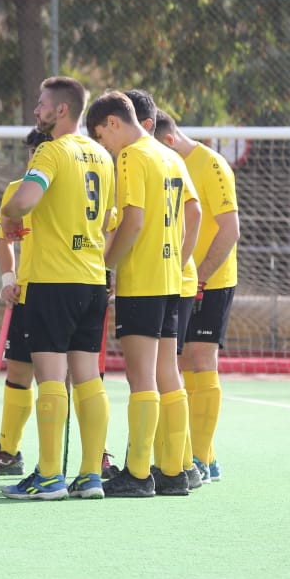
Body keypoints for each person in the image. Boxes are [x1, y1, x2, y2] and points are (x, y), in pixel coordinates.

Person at [0, 77, 115, 501]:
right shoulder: (103, 154)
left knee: (50, 377)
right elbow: (107, 221)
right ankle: (90, 475)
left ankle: (49, 476)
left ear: (61, 110)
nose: (36, 111)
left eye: (42, 104)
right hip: (92, 277)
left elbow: (26, 200)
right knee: (88, 379)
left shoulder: (52, 150)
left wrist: (8, 214)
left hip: (54, 280)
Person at [85, 91, 200, 498]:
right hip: (171, 280)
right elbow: (195, 212)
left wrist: (106, 265)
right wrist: (179, 258)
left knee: (141, 377)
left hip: (143, 281)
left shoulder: (132, 156)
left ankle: (137, 474)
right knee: (168, 373)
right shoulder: (169, 155)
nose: (105, 147)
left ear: (114, 123)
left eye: (102, 137)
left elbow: (132, 221)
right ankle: (174, 470)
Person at [154, 109, 240, 483]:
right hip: (181, 280)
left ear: (169, 140)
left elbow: (230, 229)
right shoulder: (170, 165)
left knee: (202, 361)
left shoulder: (211, 164)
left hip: (211, 280)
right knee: (182, 363)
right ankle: (203, 453)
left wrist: (202, 276)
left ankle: (201, 458)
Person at [0, 127, 53, 477]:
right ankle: (8, 450)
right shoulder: (17, 192)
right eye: (32, 154)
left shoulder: (74, 186)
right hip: (28, 291)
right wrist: (8, 281)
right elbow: (5, 239)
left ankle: (90, 456)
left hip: (66, 289)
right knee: (20, 370)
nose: (34, 159)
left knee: (68, 377)